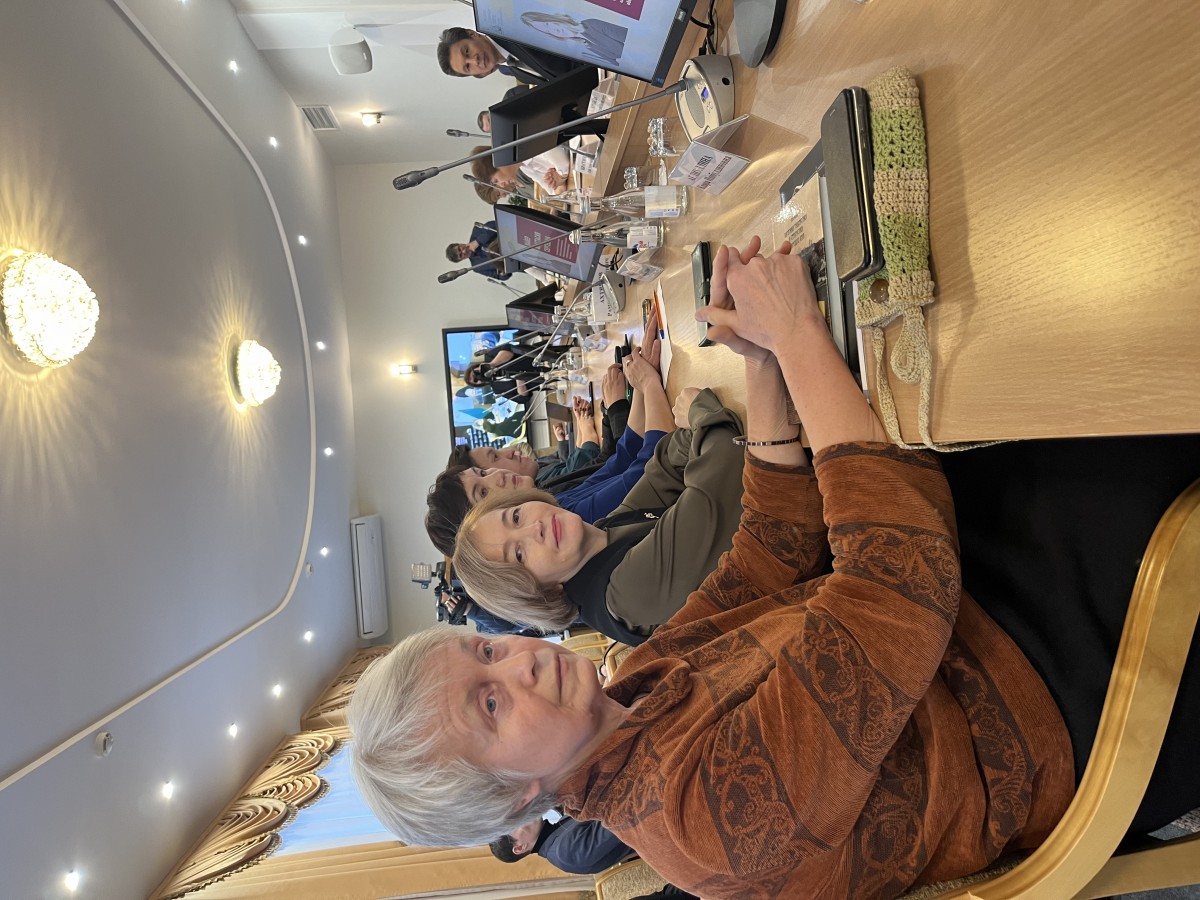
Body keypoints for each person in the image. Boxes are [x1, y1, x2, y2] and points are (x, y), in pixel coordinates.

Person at [348, 236, 1200, 899]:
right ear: (515, 797)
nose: (521, 663)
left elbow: (766, 557)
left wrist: (761, 362)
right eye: (490, 704)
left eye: (487, 653)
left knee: (996, 369)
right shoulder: (703, 822)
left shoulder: (632, 691)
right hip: (1061, 691)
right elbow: (895, 590)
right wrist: (794, 335)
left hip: (964, 603)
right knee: (1118, 393)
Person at [450, 378, 743, 642]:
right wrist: (699, 412)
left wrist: (700, 430)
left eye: (516, 517)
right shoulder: (625, 593)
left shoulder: (598, 536)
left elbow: (662, 470)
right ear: (541, 592)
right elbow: (727, 471)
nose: (533, 529)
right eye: (518, 554)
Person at [426, 342, 674, 555]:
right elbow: (652, 470)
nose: (496, 475)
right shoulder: (563, 522)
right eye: (482, 492)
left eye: (482, 473)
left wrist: (640, 385)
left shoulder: (552, 501)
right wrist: (648, 384)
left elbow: (621, 462)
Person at [489, 814, 633, 874]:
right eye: (513, 826)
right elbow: (623, 818)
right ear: (520, 847)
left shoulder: (555, 827)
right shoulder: (565, 854)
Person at [436, 26, 579, 84]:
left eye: (467, 51)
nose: (475, 61)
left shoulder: (513, 31)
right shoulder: (518, 74)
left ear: (472, 34)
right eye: (467, 67)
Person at [520, 12, 627, 68]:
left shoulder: (592, 24)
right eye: (547, 31)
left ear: (553, 19)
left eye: (547, 24)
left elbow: (630, 41)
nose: (553, 30)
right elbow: (616, 63)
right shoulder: (585, 44)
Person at [470, 143, 572, 197]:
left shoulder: (526, 146)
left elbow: (564, 161)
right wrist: (560, 181)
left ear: (497, 162)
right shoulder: (525, 169)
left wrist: (562, 177)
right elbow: (554, 191)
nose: (501, 185)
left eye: (496, 181)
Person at [445, 220, 510, 280]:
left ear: (459, 244)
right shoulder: (477, 267)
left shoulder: (476, 231)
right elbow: (499, 277)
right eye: (461, 255)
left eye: (460, 249)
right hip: (512, 260)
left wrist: (477, 242)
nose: (464, 251)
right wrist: (503, 274)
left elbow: (495, 224)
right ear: (461, 260)